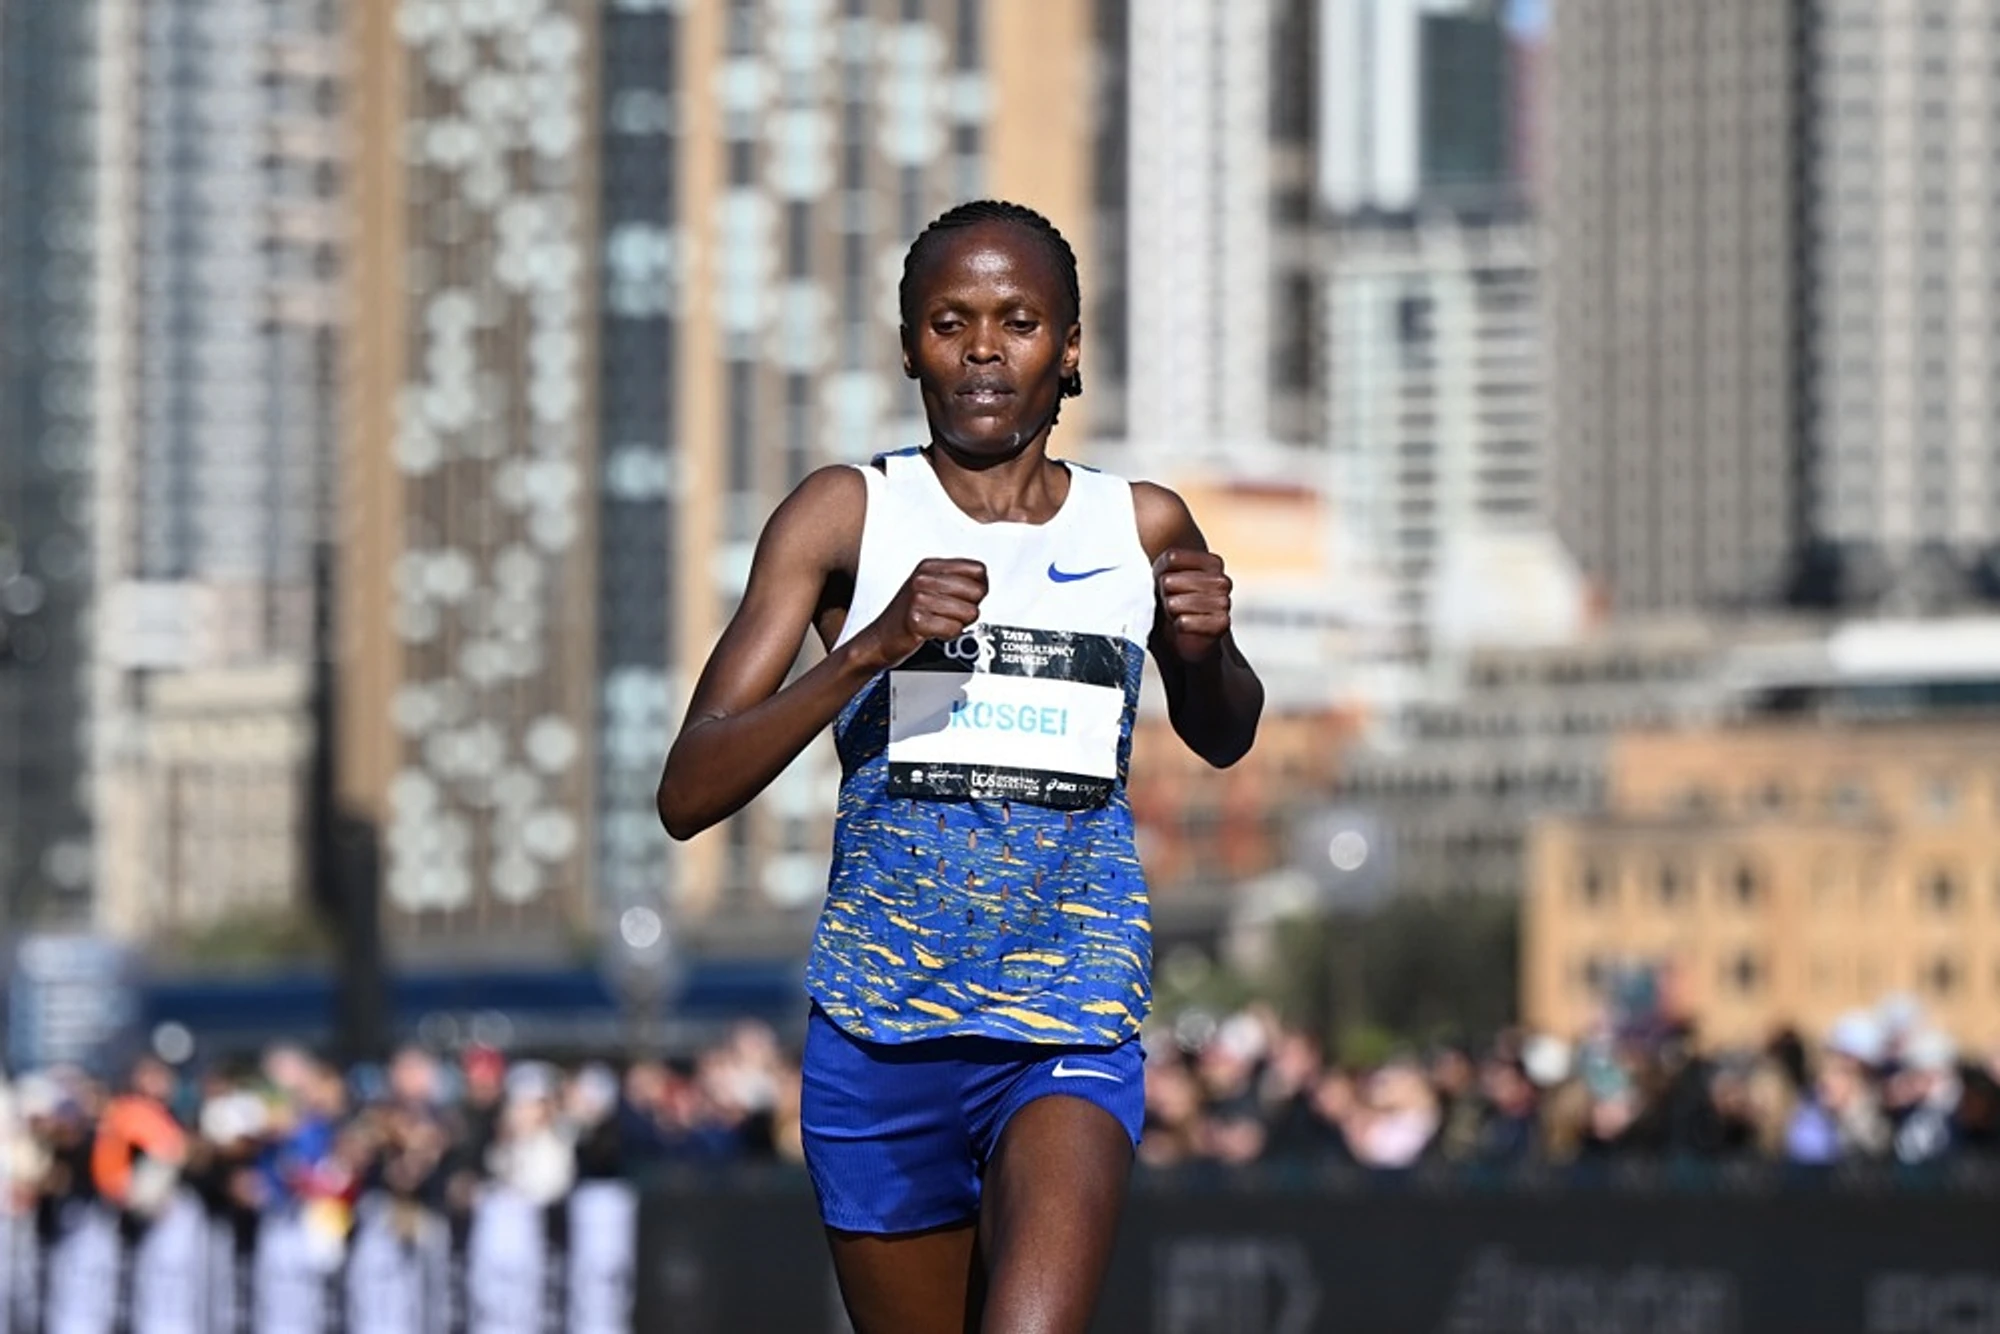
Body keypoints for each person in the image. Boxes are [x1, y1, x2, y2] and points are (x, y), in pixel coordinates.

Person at [658, 199, 1263, 1334]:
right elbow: (688, 791)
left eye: (1018, 321)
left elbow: (1224, 731)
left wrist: (1207, 647)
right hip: (881, 1033)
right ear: (909, 347)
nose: (984, 348)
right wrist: (869, 648)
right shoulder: (846, 514)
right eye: (950, 322)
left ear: (1068, 348)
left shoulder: (1137, 525)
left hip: (1067, 1020)